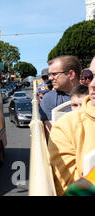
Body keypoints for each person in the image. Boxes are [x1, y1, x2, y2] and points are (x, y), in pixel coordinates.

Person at [48, 56, 95, 196]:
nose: (92, 84)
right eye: (90, 76)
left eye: (54, 74)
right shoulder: (65, 126)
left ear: (71, 75)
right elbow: (70, 191)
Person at [39, 56, 81, 141]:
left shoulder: (91, 95)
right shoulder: (49, 98)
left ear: (71, 74)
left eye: (54, 74)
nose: (50, 78)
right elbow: (52, 139)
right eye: (50, 74)